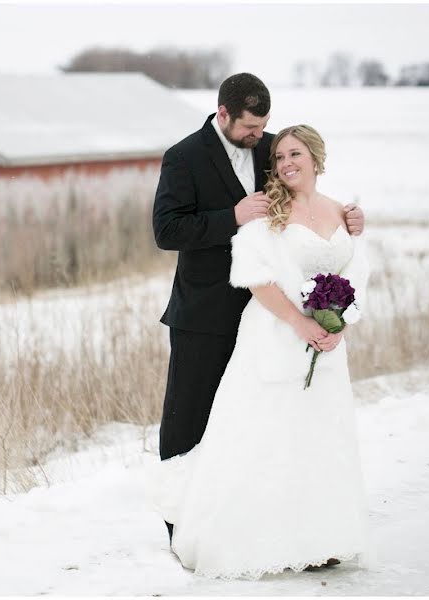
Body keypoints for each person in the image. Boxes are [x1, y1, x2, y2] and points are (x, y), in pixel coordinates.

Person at [148, 124, 374, 578]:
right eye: (279, 158)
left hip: (327, 349)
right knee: (266, 435)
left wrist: (340, 323)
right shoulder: (268, 212)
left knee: (319, 436)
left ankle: (320, 538)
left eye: (295, 155)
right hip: (275, 335)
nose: (286, 164)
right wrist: (300, 322)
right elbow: (254, 275)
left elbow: (357, 272)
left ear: (316, 157)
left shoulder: (341, 212)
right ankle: (251, 539)